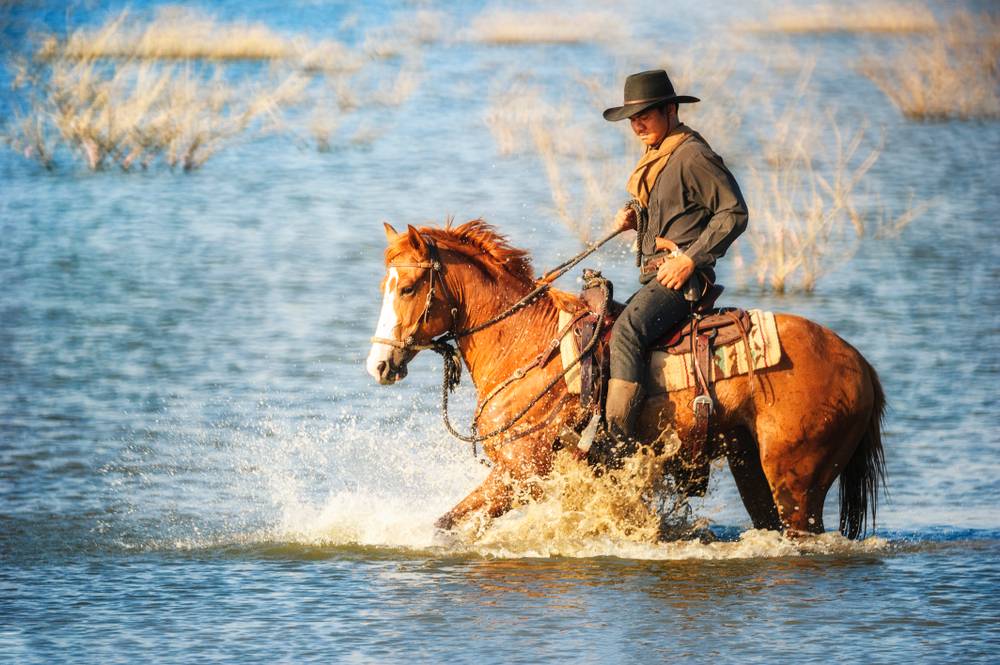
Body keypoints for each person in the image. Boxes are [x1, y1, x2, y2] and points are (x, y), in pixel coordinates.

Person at [602, 69, 749, 447]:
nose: (637, 125)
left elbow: (733, 213)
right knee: (607, 327)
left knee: (626, 332)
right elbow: (678, 215)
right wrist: (638, 220)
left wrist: (690, 260)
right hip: (657, 276)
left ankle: (617, 444)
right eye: (633, 119)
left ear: (671, 111)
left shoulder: (693, 155)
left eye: (645, 116)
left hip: (682, 279)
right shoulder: (658, 157)